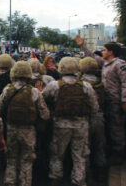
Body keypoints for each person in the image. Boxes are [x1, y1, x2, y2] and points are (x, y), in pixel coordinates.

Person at [76, 35, 126, 165]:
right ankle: (110, 152)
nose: (102, 52)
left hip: (116, 101)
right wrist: (82, 46)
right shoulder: (106, 63)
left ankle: (118, 154)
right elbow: (92, 56)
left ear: (111, 52)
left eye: (104, 50)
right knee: (108, 127)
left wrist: (125, 100)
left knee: (117, 128)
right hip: (106, 100)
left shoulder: (120, 64)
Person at [42, 57, 99, 186]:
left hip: (61, 125)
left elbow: (43, 100)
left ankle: (55, 178)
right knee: (79, 156)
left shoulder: (55, 85)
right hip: (81, 125)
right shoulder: (86, 86)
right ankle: (79, 180)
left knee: (57, 154)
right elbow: (95, 108)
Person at [0, 61, 49, 186]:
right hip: (28, 130)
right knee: (27, 160)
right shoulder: (34, 92)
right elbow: (45, 114)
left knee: (11, 158)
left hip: (11, 128)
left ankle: (10, 181)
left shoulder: (7, 90)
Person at [79, 57, 107, 182]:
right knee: (100, 146)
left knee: (85, 147)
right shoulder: (101, 83)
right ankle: (101, 171)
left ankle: (87, 174)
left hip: (84, 117)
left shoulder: (80, 83)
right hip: (99, 116)